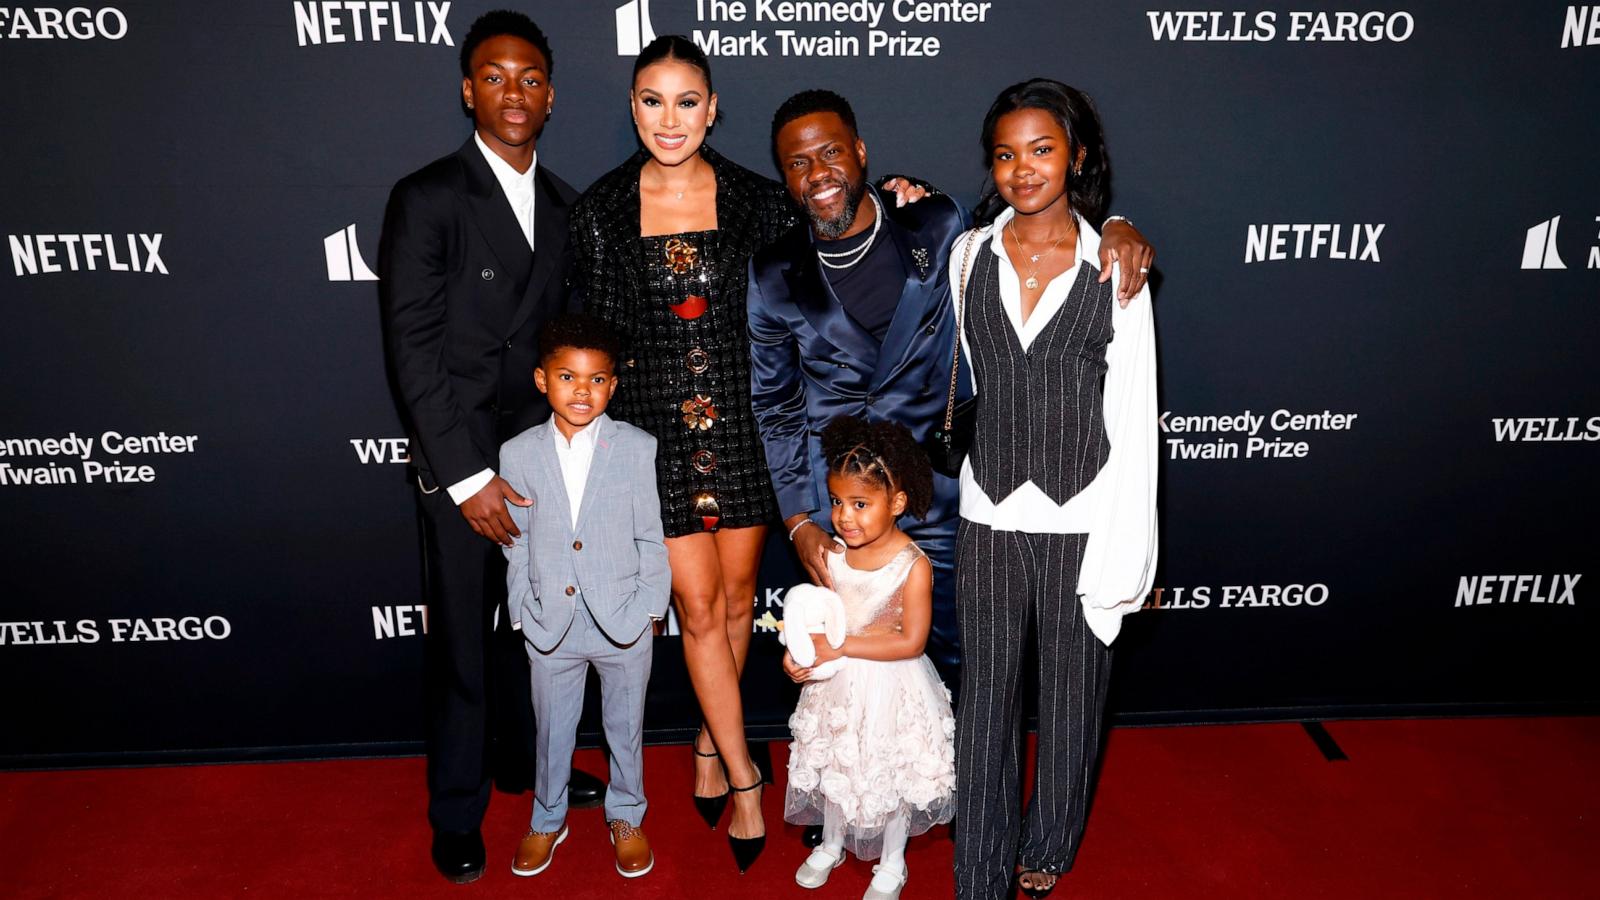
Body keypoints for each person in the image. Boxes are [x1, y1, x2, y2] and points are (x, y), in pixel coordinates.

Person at [747, 89, 1153, 779]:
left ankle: (965, 789)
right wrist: (798, 519)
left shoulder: (937, 226)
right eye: (797, 162)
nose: (818, 172)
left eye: (831, 153)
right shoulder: (771, 274)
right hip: (838, 509)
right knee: (845, 662)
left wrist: (1114, 222)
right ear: (784, 178)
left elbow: (1034, 224)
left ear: (862, 154)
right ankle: (853, 794)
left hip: (943, 490)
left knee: (974, 663)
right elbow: (775, 403)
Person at [377, 10, 601, 884]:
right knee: (467, 644)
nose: (516, 92)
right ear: (469, 90)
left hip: (541, 458)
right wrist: (466, 476)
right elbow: (410, 349)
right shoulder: (428, 196)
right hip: (462, 460)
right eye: (497, 77)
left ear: (551, 96)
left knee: (539, 632)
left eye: (532, 78)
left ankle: (526, 766)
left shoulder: (567, 203)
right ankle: (459, 806)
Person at [949, 79, 1158, 900]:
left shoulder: (1116, 266)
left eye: (1041, 149)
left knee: (1074, 699)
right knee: (987, 703)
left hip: (1084, 510)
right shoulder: (970, 256)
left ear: (1075, 155)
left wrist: (1131, 552)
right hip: (988, 509)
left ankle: (1052, 844)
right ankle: (978, 871)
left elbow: (1136, 414)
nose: (1022, 169)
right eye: (1005, 154)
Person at [499, 314, 671, 880]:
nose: (582, 390)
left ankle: (626, 814)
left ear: (613, 385)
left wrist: (651, 606)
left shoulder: (637, 447)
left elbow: (651, 534)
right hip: (551, 622)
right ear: (542, 380)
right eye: (568, 377)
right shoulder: (517, 453)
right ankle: (547, 819)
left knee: (626, 726)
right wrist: (524, 604)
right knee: (552, 729)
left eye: (597, 379)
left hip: (623, 618)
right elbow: (516, 542)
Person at [781, 417, 956, 900]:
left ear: (897, 503)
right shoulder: (831, 556)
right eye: (837, 502)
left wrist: (840, 648)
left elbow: (910, 642)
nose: (844, 516)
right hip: (836, 684)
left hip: (893, 685)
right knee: (841, 757)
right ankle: (832, 842)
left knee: (890, 770)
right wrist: (800, 658)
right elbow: (819, 621)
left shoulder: (912, 565)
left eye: (860, 504)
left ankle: (893, 860)